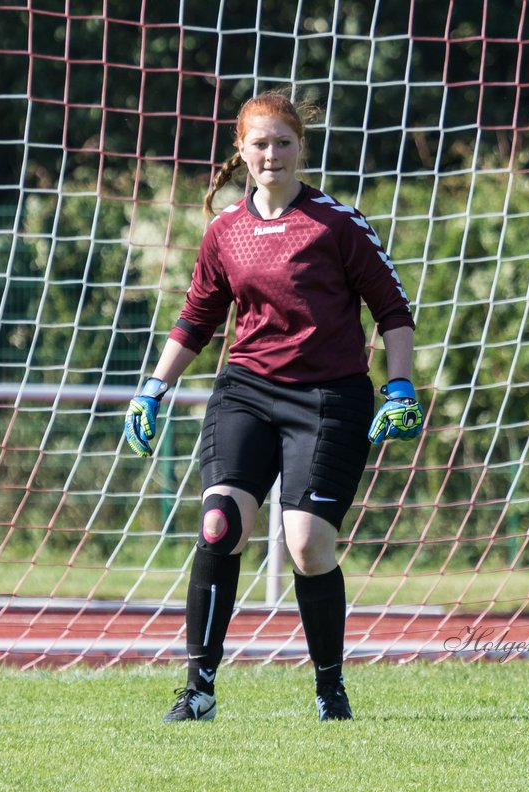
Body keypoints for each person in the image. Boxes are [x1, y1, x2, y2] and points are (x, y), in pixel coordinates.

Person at [124, 90, 424, 722]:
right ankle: (199, 689)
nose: (271, 154)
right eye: (259, 144)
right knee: (220, 526)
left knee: (308, 545)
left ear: (300, 149)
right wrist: (154, 386)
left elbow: (393, 311)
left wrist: (400, 385)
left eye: (283, 142)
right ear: (242, 151)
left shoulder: (338, 223)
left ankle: (329, 689)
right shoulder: (224, 231)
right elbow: (197, 318)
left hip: (328, 398)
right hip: (247, 391)